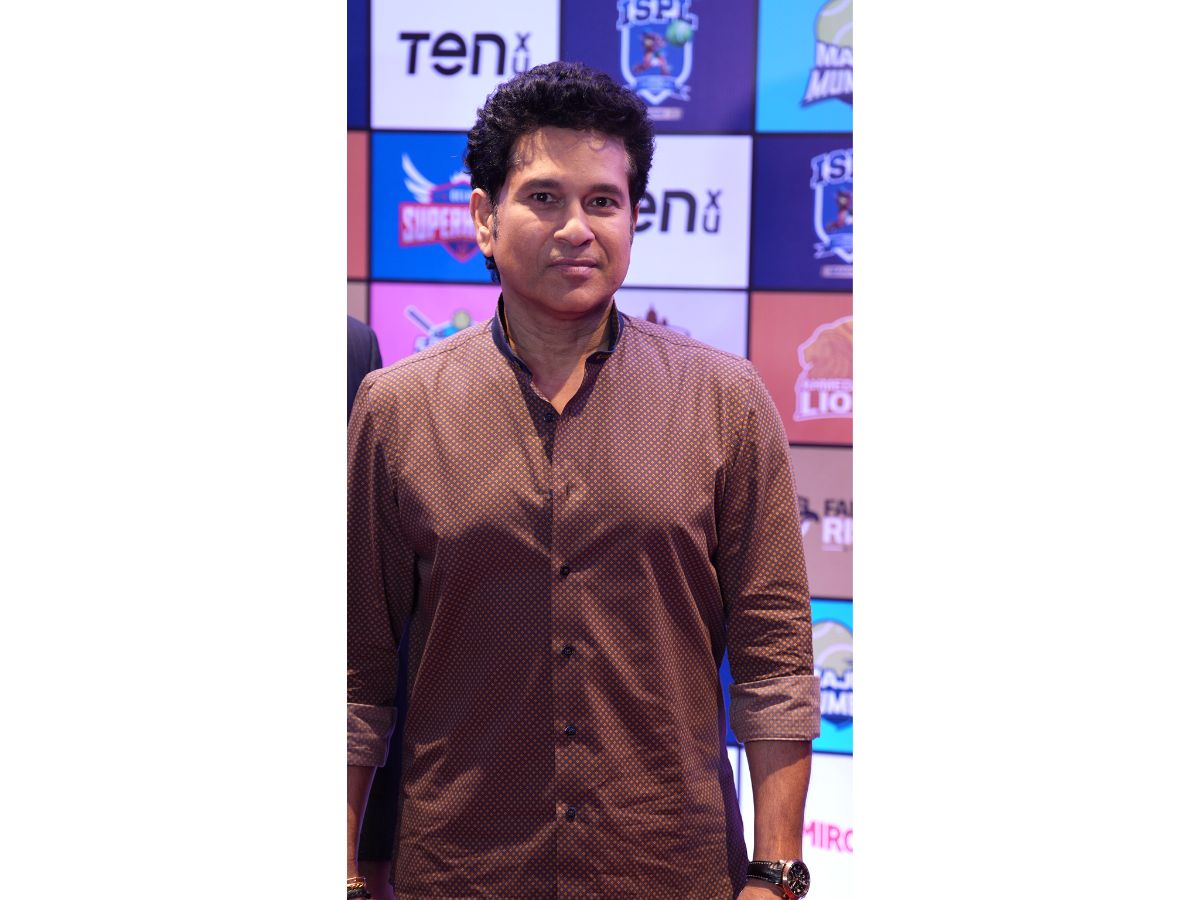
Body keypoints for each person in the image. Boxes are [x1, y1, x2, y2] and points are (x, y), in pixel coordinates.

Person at [347, 61, 819, 900]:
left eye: (603, 201)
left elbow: (775, 658)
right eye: (544, 198)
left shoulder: (726, 400)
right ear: (484, 218)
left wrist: (776, 874)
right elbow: (356, 673)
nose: (577, 227)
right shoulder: (396, 409)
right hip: (464, 874)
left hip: (670, 871)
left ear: (634, 219)